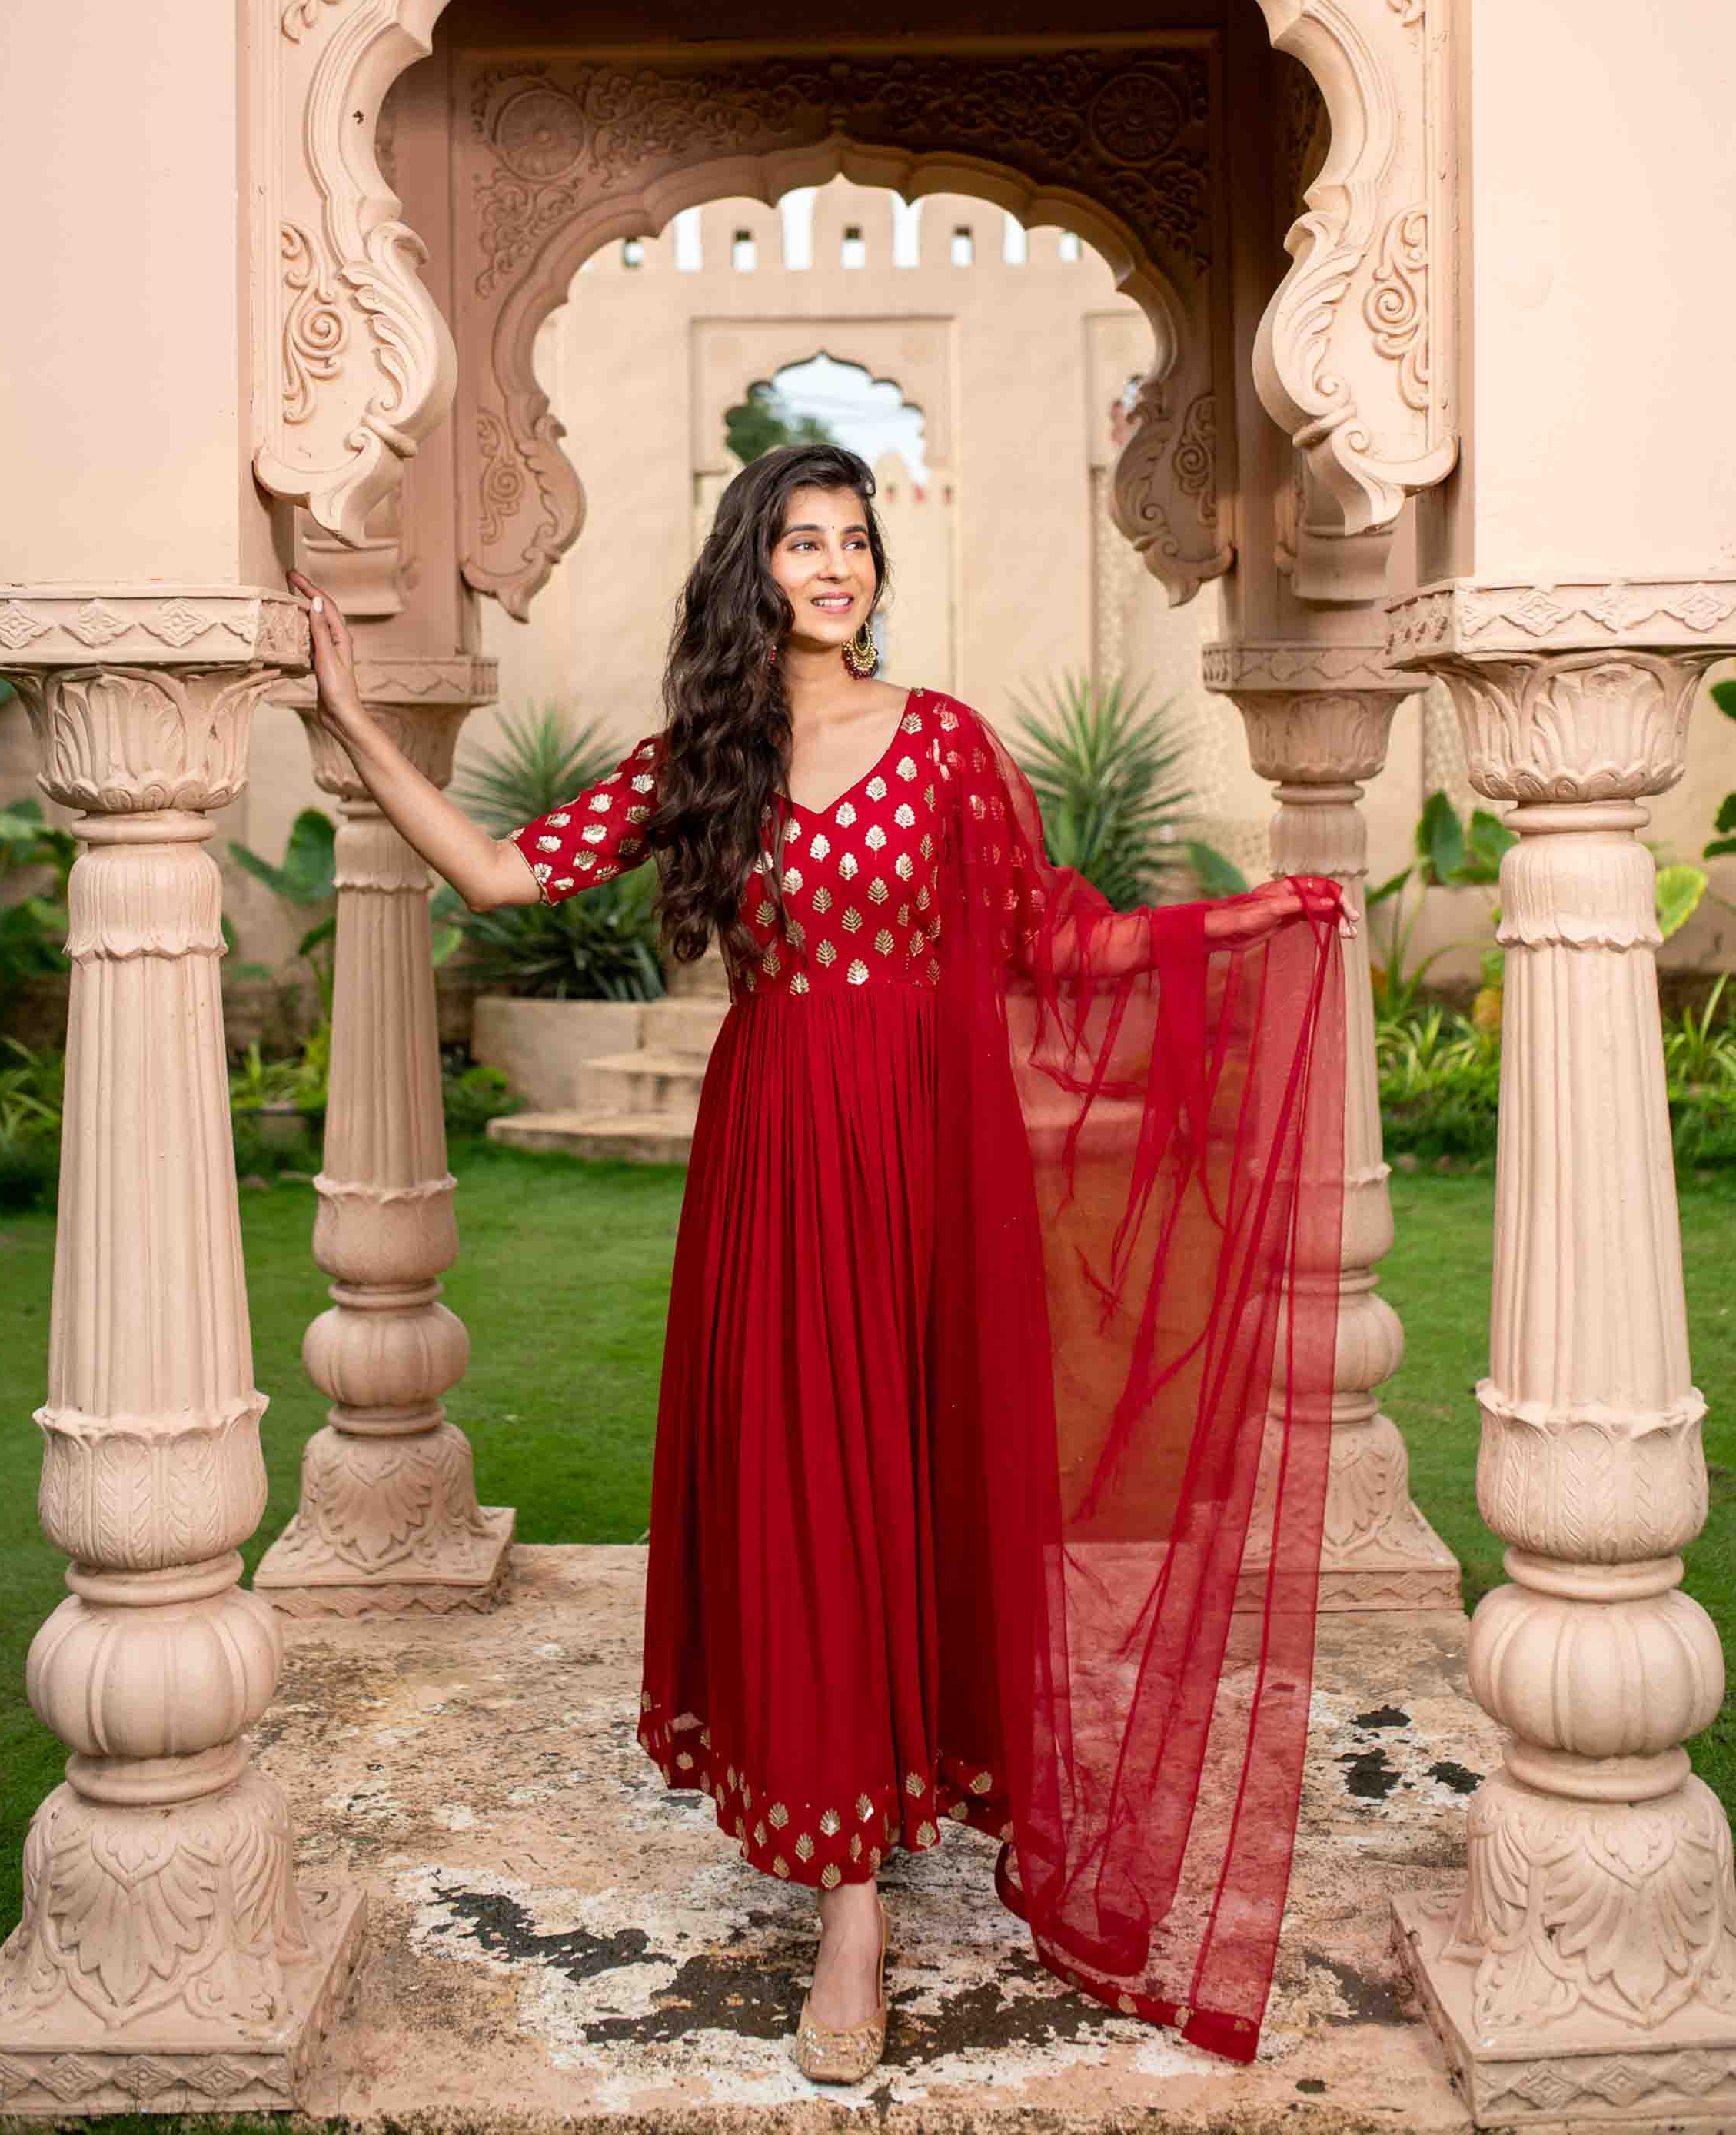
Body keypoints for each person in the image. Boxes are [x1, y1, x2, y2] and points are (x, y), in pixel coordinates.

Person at [290, 443, 1349, 2084]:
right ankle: (851, 1902)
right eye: (803, 540)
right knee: (812, 1485)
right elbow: (505, 872)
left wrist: (1248, 922)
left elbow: (1062, 936)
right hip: (780, 1168)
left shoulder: (945, 749)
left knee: (923, 1476)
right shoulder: (708, 759)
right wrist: (354, 728)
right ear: (753, 566)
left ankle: (908, 1783)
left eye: (855, 540)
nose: (835, 565)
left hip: (933, 1169)